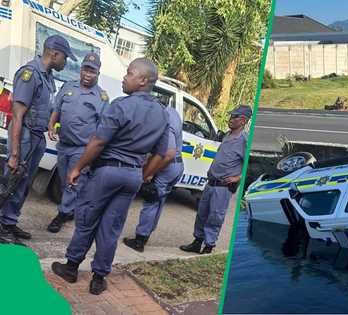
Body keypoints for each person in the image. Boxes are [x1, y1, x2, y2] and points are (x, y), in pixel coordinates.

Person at [51, 58, 169, 295]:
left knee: (87, 219)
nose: (125, 77)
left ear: (143, 81)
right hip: (132, 176)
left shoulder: (120, 105)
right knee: (111, 228)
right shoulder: (162, 113)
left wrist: (77, 168)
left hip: (107, 172)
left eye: (129, 73)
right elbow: (162, 154)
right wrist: (142, 174)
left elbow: (98, 142)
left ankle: (72, 267)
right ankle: (98, 279)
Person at [0, 35, 76, 241]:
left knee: (22, 184)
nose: (65, 62)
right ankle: (1, 225)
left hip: (36, 138)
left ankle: (9, 222)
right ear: (54, 53)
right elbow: (17, 116)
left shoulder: (48, 77)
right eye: (65, 58)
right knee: (11, 181)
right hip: (24, 137)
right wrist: (15, 153)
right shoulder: (30, 74)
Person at [46, 52, 109, 233]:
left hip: (82, 149)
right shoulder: (68, 87)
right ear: (81, 69)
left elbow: (103, 128)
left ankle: (62, 214)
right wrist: (51, 124)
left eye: (92, 72)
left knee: (72, 183)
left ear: (98, 74)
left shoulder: (102, 98)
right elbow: (57, 109)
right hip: (63, 145)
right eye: (85, 70)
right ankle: (71, 208)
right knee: (65, 180)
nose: (88, 75)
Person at [180, 105, 251, 254]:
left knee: (215, 216)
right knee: (202, 214)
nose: (230, 119)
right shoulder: (227, 135)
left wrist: (237, 177)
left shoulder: (244, 140)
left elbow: (248, 165)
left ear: (243, 120)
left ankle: (209, 245)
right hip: (211, 183)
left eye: (234, 117)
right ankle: (197, 241)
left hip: (223, 187)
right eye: (231, 116)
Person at [122, 105, 184, 252]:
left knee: (150, 200)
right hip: (177, 165)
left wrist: (148, 173)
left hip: (167, 165)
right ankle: (146, 234)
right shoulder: (172, 112)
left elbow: (167, 154)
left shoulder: (164, 120)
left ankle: (139, 240)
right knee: (158, 201)